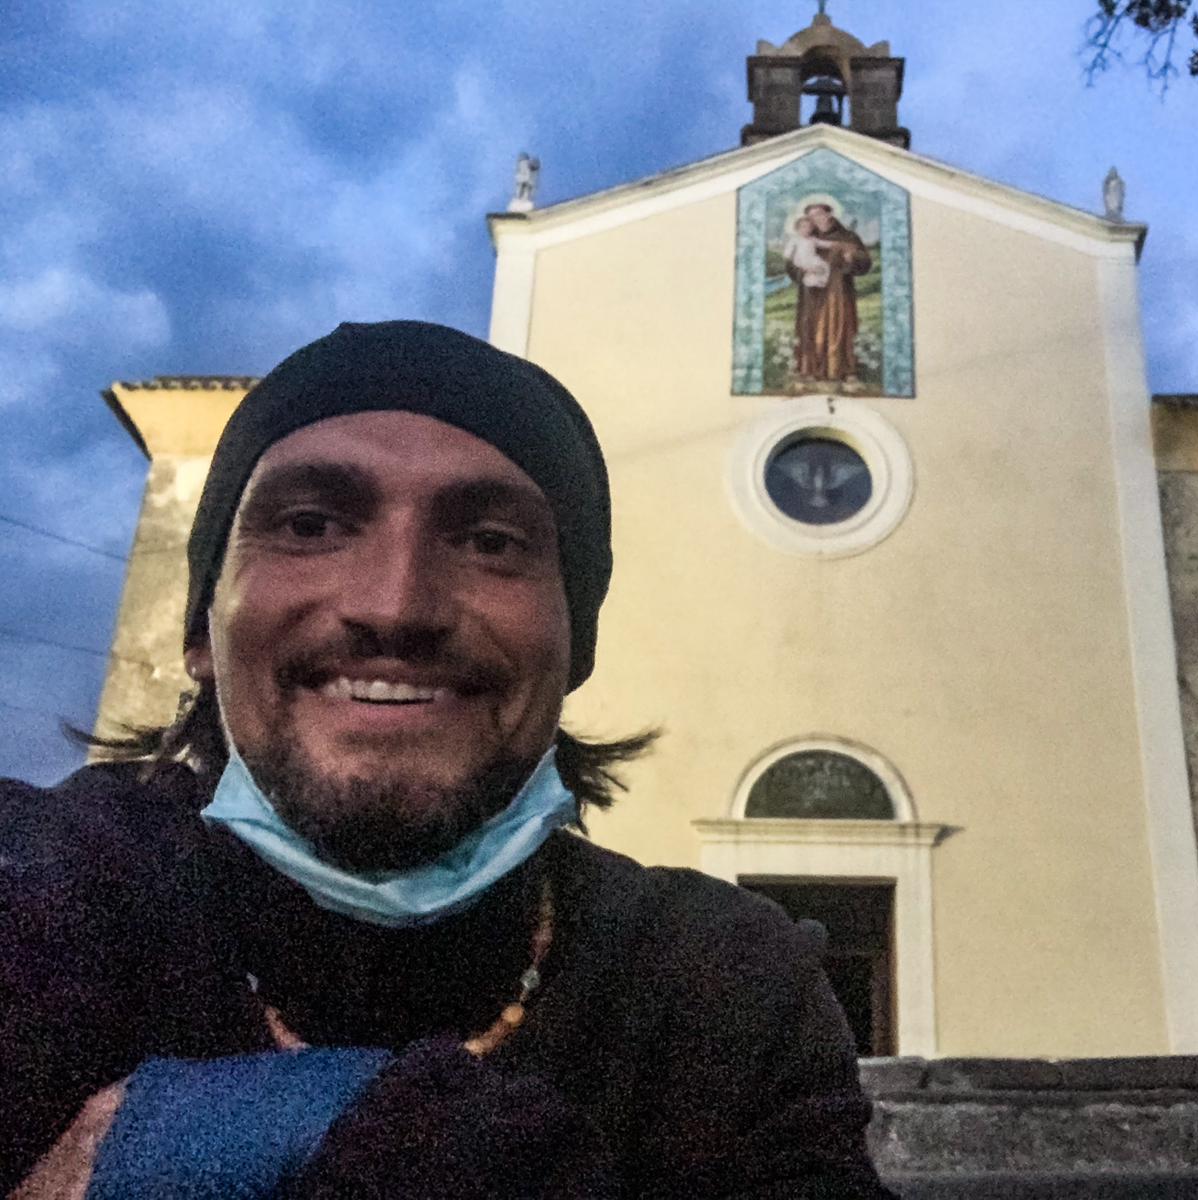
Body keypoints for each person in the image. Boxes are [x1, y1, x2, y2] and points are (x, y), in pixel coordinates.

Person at [0, 320, 894, 1198]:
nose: (395, 606)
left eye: (490, 542)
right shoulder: (43, 891)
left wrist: (287, 1130)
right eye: (311, 525)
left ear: (572, 641)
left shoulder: (722, 987)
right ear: (202, 627)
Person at [785, 203, 871, 385]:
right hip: (811, 292)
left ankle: (841, 370)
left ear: (829, 214)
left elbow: (865, 262)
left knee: (838, 327)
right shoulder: (806, 236)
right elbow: (790, 263)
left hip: (838, 290)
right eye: (812, 216)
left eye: (819, 214)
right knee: (810, 327)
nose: (816, 219)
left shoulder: (847, 236)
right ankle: (809, 369)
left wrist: (852, 258)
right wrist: (803, 270)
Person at [783, 216, 836, 290]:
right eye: (804, 227)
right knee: (809, 273)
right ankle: (810, 281)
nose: (807, 229)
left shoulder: (812, 239)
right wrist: (789, 255)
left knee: (825, 266)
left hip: (813, 259)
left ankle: (821, 281)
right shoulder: (795, 239)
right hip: (801, 261)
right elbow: (787, 252)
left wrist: (833, 244)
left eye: (809, 227)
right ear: (797, 228)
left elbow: (823, 243)